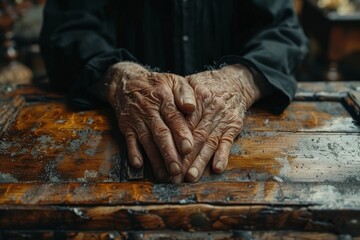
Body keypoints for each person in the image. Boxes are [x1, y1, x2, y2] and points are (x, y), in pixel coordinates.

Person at [40, 0, 308, 183]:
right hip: (114, 147)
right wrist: (117, 77)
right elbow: (67, 28)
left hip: (237, 152)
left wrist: (240, 81)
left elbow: (282, 32)